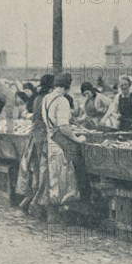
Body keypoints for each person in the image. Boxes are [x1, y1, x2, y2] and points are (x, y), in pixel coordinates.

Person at [41, 73, 87, 223]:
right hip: (61, 142)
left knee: (55, 175)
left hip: (50, 140)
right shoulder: (62, 101)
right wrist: (77, 138)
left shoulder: (46, 98)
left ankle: (53, 212)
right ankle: (72, 210)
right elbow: (63, 126)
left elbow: (51, 122)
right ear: (68, 86)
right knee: (69, 174)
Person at [16, 74, 55, 215]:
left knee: (37, 171)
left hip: (34, 135)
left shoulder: (37, 97)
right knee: (44, 171)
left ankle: (29, 201)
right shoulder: (47, 98)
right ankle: (35, 203)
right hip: (43, 136)